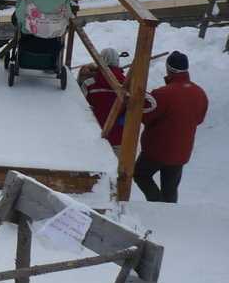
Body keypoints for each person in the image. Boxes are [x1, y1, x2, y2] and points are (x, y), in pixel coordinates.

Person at [134, 52, 208, 203]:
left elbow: (145, 117)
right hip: (181, 152)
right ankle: (168, 211)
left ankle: (157, 203)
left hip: (156, 150)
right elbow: (199, 119)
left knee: (140, 175)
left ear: (168, 69)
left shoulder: (162, 94)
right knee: (170, 189)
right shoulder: (200, 93)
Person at [78, 48, 128, 150]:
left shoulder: (89, 83)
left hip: (94, 137)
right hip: (120, 139)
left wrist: (82, 76)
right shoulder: (128, 84)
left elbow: (79, 105)